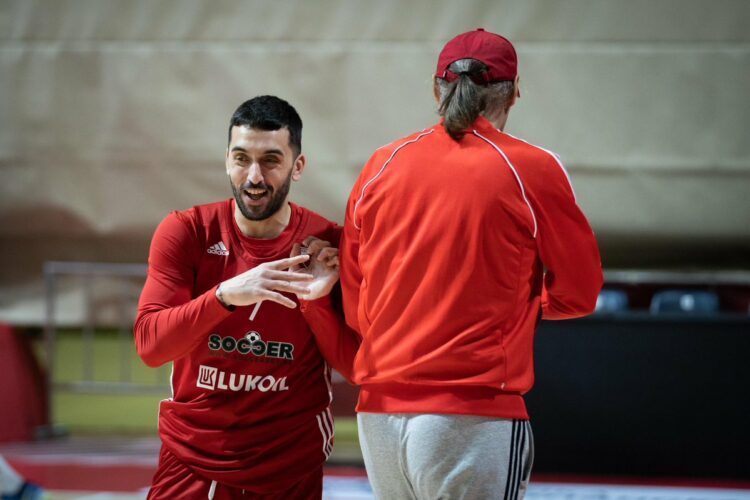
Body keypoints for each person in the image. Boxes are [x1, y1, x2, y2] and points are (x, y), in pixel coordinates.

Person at [340, 29, 603, 499]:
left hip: (378, 418)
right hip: (473, 413)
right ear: (514, 93)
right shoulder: (533, 168)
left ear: (435, 89)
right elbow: (579, 292)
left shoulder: (382, 163)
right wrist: (515, 309)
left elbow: (357, 298)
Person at [134, 95, 359, 499]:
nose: (254, 176)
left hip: (289, 460)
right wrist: (224, 296)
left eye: (271, 160)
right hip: (194, 454)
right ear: (227, 161)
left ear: (298, 166)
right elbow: (151, 345)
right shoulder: (187, 231)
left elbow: (355, 367)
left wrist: (315, 302)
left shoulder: (327, 245)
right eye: (241, 159)